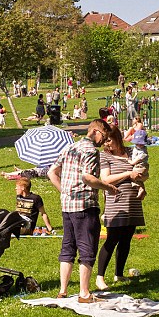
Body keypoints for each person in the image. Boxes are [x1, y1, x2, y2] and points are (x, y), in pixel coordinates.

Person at [47, 119, 118, 302]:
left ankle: (62, 291)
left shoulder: (69, 148)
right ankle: (84, 293)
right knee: (87, 248)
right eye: (104, 136)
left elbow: (51, 172)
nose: (104, 141)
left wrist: (64, 191)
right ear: (95, 131)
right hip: (85, 205)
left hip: (67, 206)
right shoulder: (91, 151)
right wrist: (107, 187)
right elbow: (87, 177)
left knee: (68, 247)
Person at [95, 125, 147, 290]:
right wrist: (127, 174)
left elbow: (142, 173)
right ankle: (99, 277)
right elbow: (106, 180)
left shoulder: (132, 153)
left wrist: (142, 185)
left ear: (117, 137)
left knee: (126, 239)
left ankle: (119, 273)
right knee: (112, 239)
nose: (107, 144)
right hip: (116, 203)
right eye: (105, 141)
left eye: (109, 140)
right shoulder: (105, 156)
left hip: (132, 202)